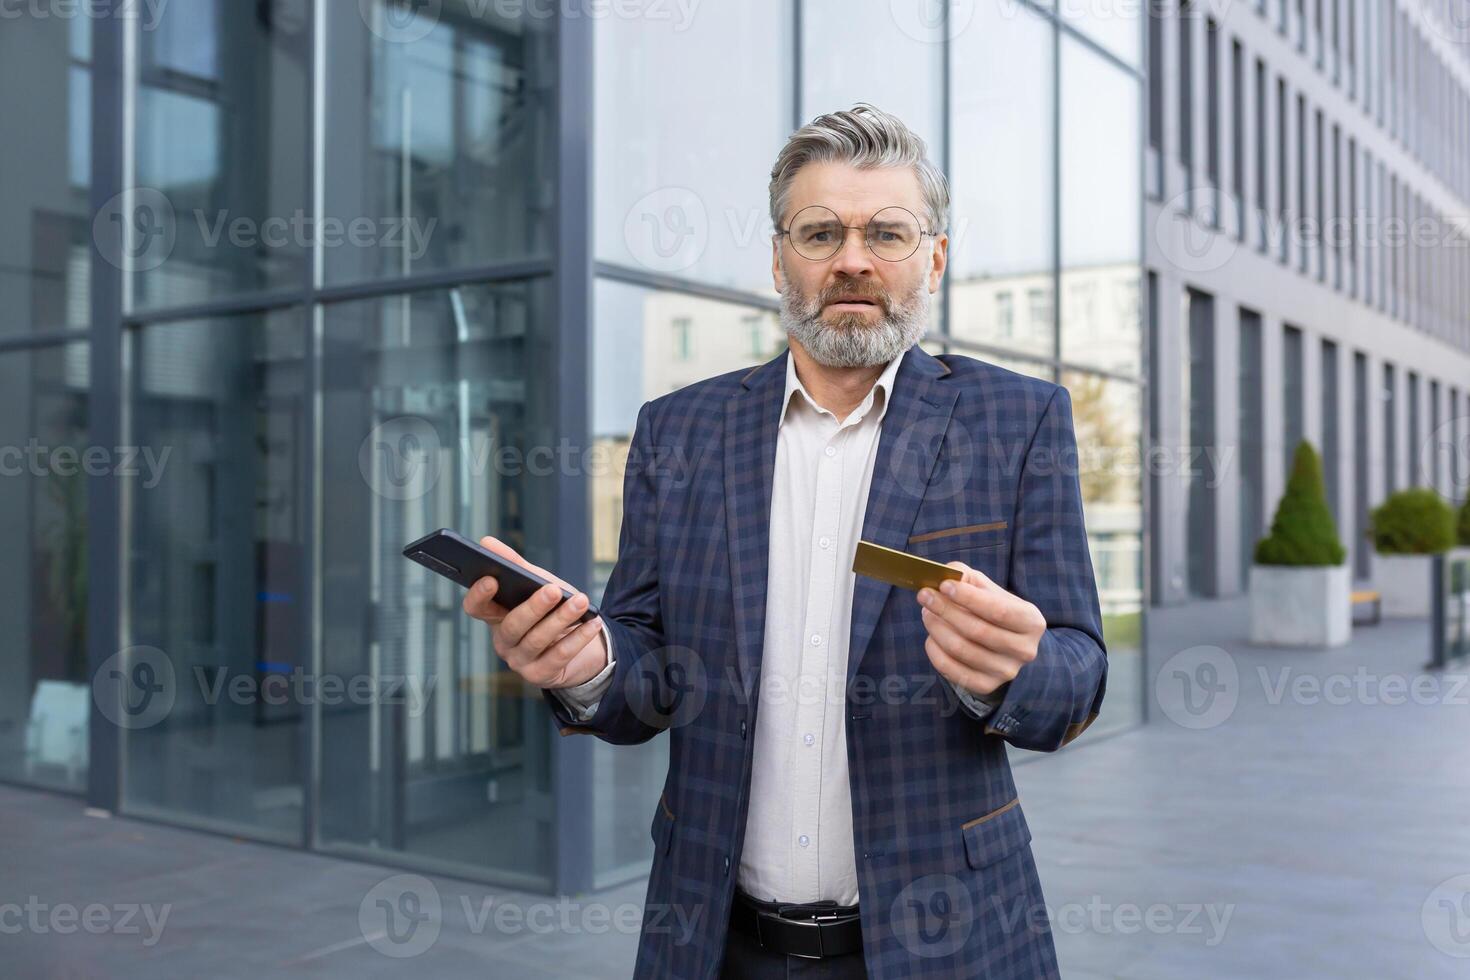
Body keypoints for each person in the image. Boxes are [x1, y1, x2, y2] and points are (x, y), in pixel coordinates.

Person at [462, 104, 1107, 979]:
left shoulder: (1019, 419)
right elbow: (646, 671)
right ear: (778, 259)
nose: (852, 258)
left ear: (936, 259)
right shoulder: (679, 431)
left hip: (949, 940)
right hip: (718, 944)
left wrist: (1018, 667)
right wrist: (588, 666)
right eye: (819, 232)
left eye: (888, 232)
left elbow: (1080, 669)